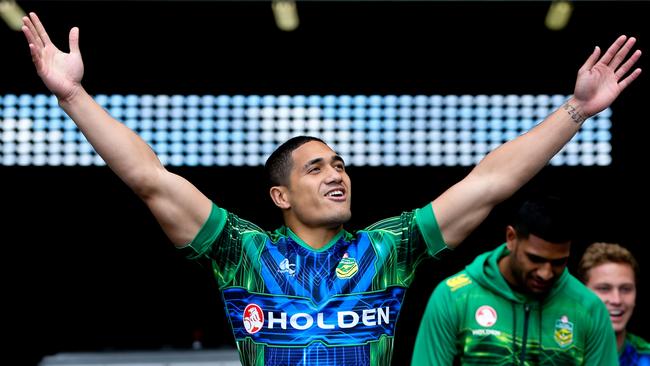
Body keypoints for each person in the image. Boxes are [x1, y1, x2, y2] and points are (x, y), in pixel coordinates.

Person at [21, 10, 641, 366]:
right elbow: (149, 178)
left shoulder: (390, 248)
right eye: (315, 168)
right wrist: (73, 95)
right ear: (280, 196)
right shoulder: (240, 250)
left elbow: (492, 180)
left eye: (340, 164)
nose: (336, 173)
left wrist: (576, 111)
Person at [411, 196, 619, 365]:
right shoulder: (454, 296)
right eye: (535, 259)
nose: (546, 273)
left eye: (558, 262)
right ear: (511, 238)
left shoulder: (589, 308)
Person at [578, 242, 650, 365]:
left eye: (626, 289)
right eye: (604, 288)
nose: (616, 300)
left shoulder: (646, 358)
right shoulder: (556, 354)